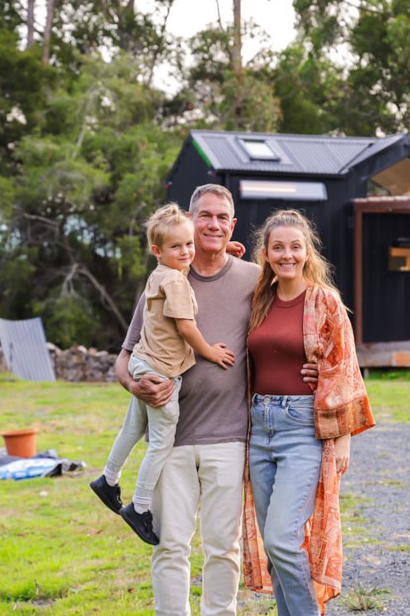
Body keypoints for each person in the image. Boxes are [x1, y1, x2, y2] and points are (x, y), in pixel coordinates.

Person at [114, 185, 318, 616]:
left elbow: (297, 307)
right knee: (170, 545)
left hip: (229, 436)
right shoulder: (166, 276)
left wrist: (318, 366)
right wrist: (135, 386)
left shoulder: (252, 278)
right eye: (204, 216)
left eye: (221, 217)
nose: (212, 224)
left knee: (224, 547)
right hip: (171, 439)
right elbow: (125, 356)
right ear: (188, 221)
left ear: (232, 225)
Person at [242, 209, 375, 615]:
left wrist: (342, 439)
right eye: (277, 247)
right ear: (265, 253)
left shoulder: (324, 301)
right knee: (275, 543)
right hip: (258, 426)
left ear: (307, 251)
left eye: (295, 247)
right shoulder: (258, 300)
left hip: (302, 428)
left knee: (283, 539)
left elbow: (343, 368)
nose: (287, 255)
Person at [91, 203, 235, 545]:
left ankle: (108, 478)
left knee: (132, 427)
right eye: (177, 246)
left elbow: (185, 259)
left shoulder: (160, 274)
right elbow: (186, 327)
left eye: (189, 244)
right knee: (161, 443)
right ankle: (139, 506)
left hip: (143, 362)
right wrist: (210, 351)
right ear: (157, 251)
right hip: (162, 373)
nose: (186, 251)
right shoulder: (178, 283)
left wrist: (225, 248)